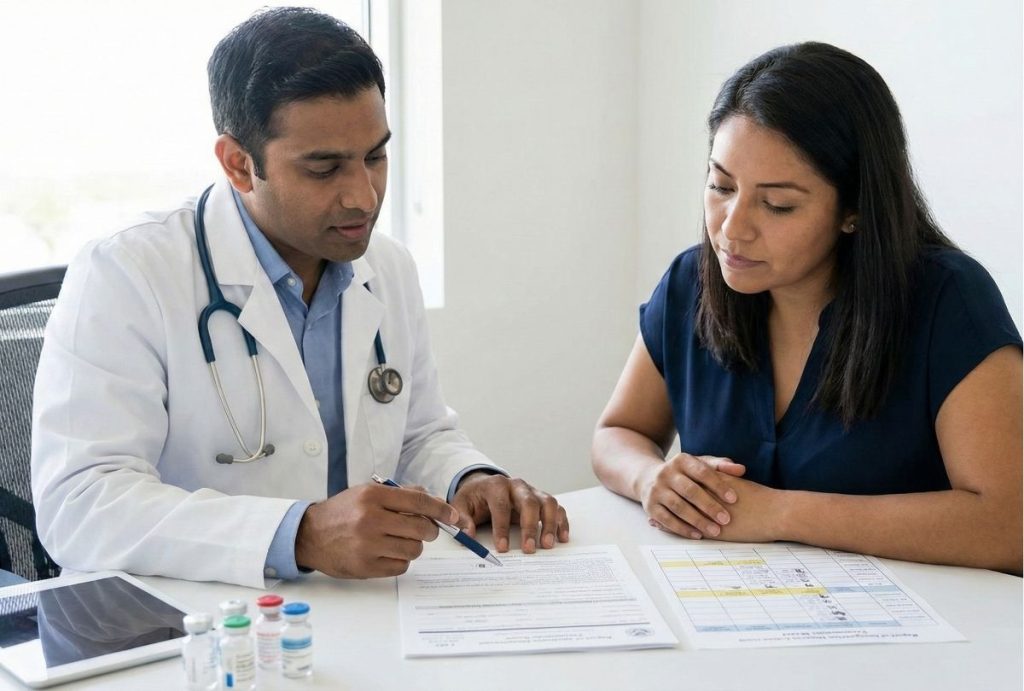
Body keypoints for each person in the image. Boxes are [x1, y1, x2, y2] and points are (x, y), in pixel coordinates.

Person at [31, 7, 568, 589]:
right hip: (198, 626)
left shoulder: (384, 266)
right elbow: (81, 504)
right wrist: (299, 533)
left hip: (355, 611)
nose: (363, 196)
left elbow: (419, 433)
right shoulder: (126, 272)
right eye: (324, 168)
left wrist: (468, 478)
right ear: (239, 164)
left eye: (376, 156)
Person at [592, 42, 1022, 574]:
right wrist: (650, 478)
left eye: (778, 204)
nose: (732, 228)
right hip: (735, 619)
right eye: (720, 185)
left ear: (854, 210)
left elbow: (1009, 526)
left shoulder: (948, 299)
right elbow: (617, 433)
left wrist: (780, 513)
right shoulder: (691, 282)